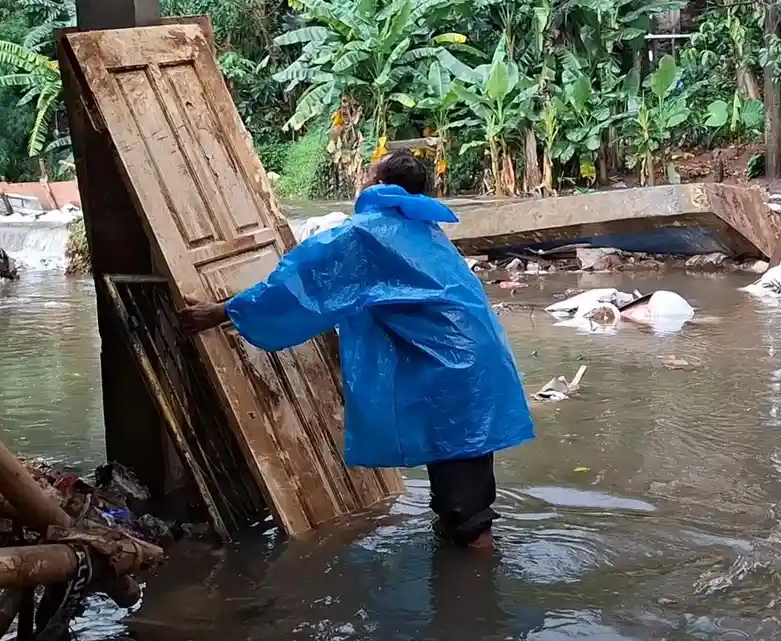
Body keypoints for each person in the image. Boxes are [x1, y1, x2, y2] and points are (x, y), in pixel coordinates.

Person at [178, 151, 534, 549]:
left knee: (469, 522)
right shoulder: (423, 230)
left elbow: (298, 285)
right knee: (462, 491)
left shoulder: (366, 234)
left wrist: (220, 312)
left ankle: (476, 599)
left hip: (453, 373)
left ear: (380, 186)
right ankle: (462, 581)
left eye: (367, 175)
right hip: (473, 368)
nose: (360, 182)